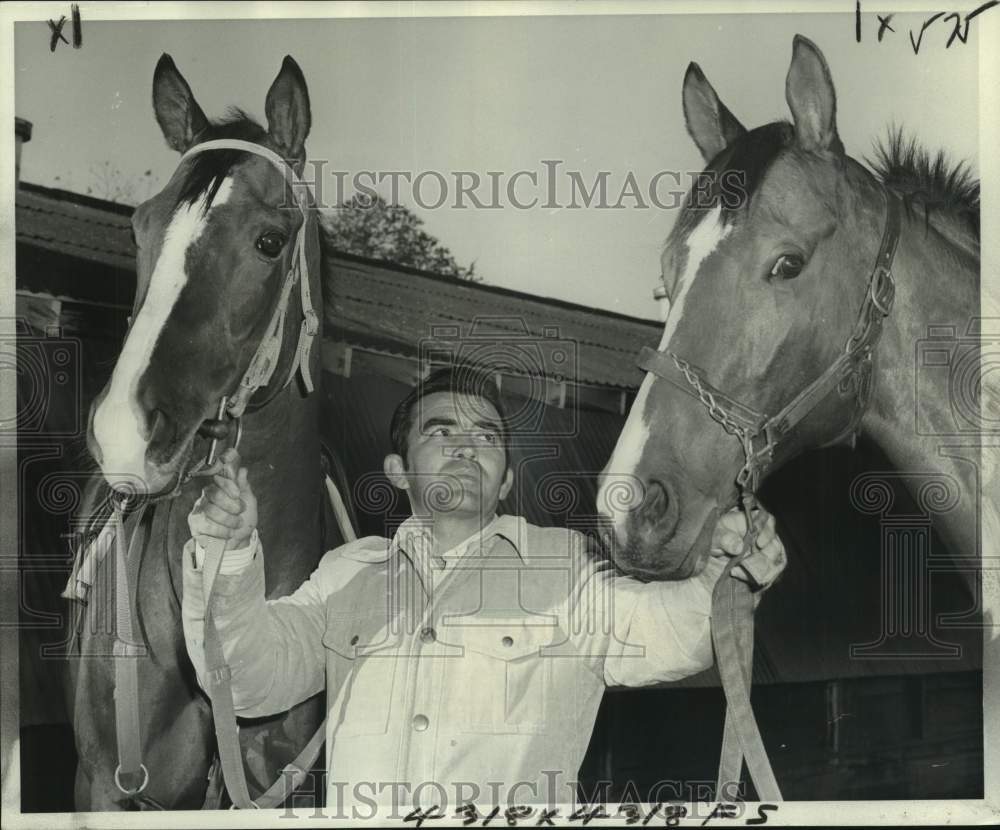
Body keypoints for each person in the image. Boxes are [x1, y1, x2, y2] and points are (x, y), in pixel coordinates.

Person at [181, 366, 786, 816]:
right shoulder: (346, 574)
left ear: (506, 483)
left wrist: (726, 570)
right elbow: (248, 680)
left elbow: (671, 633)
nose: (466, 446)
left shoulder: (570, 568)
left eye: (487, 436)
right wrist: (229, 554)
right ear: (397, 471)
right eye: (440, 432)